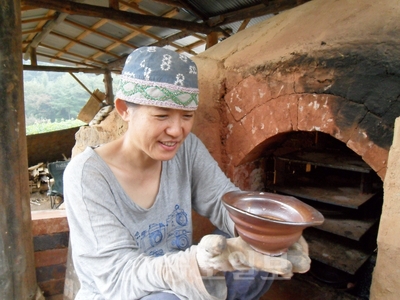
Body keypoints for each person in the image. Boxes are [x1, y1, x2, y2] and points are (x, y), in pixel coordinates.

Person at [64, 46, 310, 300]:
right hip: (125, 292)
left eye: (187, 116)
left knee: (255, 260)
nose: (177, 131)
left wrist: (267, 236)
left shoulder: (186, 148)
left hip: (180, 279)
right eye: (161, 116)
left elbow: (221, 200)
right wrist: (199, 264)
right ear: (125, 109)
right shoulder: (87, 176)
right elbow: (118, 278)